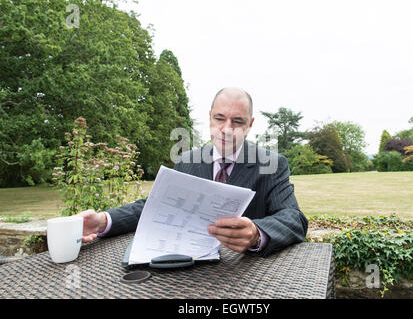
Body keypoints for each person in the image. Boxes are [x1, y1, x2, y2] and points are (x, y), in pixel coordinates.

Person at [78, 87, 308, 257]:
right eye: (219, 118)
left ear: (250, 124)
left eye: (237, 122)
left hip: (247, 277)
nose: (226, 130)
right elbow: (155, 206)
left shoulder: (271, 164)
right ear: (210, 117)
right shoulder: (187, 162)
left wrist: (258, 233)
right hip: (189, 274)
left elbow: (293, 219)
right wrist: (102, 221)